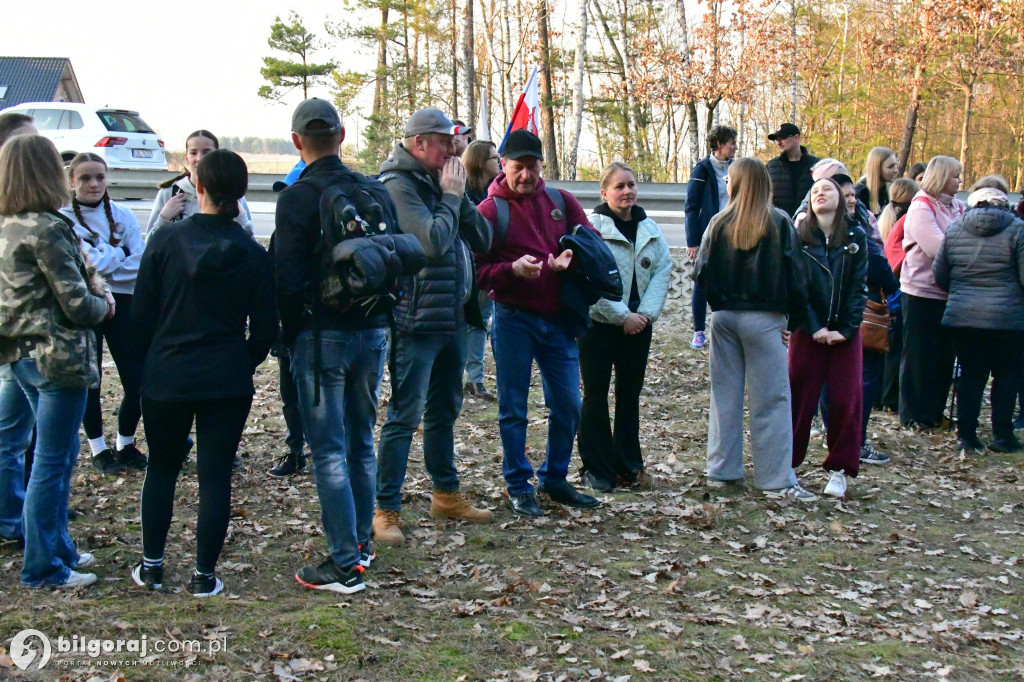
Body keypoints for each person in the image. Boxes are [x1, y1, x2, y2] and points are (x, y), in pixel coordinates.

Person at [130, 150, 275, 596]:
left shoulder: (165, 242)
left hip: (168, 374)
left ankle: (152, 566)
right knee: (214, 476)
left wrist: (155, 358)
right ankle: (203, 575)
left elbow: (141, 316)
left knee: (162, 467)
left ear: (200, 188)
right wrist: (240, 360)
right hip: (224, 378)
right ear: (241, 192)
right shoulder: (251, 253)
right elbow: (266, 329)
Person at [275, 98, 395, 594]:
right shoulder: (374, 191)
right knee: (360, 440)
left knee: (327, 450)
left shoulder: (297, 197)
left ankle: (345, 564)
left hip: (320, 338)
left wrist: (287, 335)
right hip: (374, 332)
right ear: (342, 136)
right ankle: (360, 547)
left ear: (298, 141)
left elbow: (286, 277)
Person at [373, 108, 494, 547]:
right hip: (415, 319)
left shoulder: (444, 181)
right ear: (420, 143)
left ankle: (445, 494)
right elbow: (431, 244)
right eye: (446, 142)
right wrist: (449, 196)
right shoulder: (398, 185)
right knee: (404, 416)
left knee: (445, 412)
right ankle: (384, 507)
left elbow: (482, 239)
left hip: (454, 316)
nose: (454, 149)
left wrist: (459, 195)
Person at [0, 135, 114, 587]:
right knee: (53, 461)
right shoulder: (47, 228)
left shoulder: (6, 225)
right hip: (56, 357)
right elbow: (76, 302)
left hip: (17, 353)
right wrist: (104, 302)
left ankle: (57, 546)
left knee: (53, 454)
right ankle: (43, 566)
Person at [476, 129, 601, 516]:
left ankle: (555, 479)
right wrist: (512, 270)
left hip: (558, 320)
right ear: (503, 166)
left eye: (532, 167)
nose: (526, 175)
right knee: (514, 407)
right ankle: (519, 484)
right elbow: (477, 272)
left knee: (568, 404)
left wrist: (572, 256)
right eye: (518, 168)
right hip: (513, 320)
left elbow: (592, 243)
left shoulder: (560, 201)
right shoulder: (490, 211)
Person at [693, 157, 815, 501]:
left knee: (724, 397)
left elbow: (699, 273)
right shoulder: (779, 222)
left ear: (735, 184)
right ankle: (775, 480)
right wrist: (794, 321)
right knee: (771, 401)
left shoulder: (717, 223)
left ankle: (722, 471)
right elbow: (798, 278)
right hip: (765, 320)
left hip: (724, 317)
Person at [578, 162, 672, 492]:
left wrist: (643, 315)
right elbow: (589, 279)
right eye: (619, 186)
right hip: (599, 326)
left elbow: (663, 271)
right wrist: (622, 316)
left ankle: (629, 465)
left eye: (631, 184)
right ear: (604, 193)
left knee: (629, 397)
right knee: (595, 396)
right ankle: (597, 469)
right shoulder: (590, 228)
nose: (627, 191)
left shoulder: (651, 230)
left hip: (639, 327)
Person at [58, 153, 147, 475]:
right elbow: (85, 266)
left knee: (136, 378)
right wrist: (117, 254)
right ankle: (98, 448)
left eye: (99, 177)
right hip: (87, 304)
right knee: (91, 381)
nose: (93, 184)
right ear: (71, 181)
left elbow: (139, 262)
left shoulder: (123, 214)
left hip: (124, 303)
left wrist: (107, 257)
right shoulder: (63, 219)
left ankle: (125, 443)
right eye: (84, 178)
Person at [791, 178, 868, 498]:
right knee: (797, 400)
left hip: (844, 335)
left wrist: (846, 330)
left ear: (841, 197)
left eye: (827, 188)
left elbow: (858, 288)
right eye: (814, 190)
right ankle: (787, 465)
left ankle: (839, 470)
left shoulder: (855, 236)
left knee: (844, 400)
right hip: (808, 333)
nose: (820, 193)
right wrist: (813, 327)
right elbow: (796, 286)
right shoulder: (798, 236)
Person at [933, 188, 1024, 453]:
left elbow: (940, 274)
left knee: (971, 376)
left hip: (962, 316)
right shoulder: (1018, 229)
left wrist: (961, 290)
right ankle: (1002, 435)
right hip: (1007, 318)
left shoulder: (955, 228)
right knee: (1006, 376)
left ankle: (968, 435)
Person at [834, 174, 900, 465]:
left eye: (853, 195)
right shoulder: (854, 232)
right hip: (859, 313)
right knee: (863, 379)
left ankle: (845, 440)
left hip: (839, 315)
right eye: (845, 195)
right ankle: (854, 443)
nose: (851, 200)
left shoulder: (813, 228)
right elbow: (882, 271)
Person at [899, 156, 965, 429]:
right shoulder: (921, 207)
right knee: (919, 355)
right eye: (955, 176)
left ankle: (935, 411)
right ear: (940, 177)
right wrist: (966, 253)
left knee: (943, 356)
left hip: (950, 293)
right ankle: (914, 414)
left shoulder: (959, 206)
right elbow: (938, 249)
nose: (959, 181)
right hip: (921, 291)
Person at [0, 112, 38, 550]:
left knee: (12, 434)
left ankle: (15, 512)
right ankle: (18, 518)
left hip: (16, 340)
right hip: (23, 339)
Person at [685, 125, 737, 349]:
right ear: (718, 144)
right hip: (708, 234)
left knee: (732, 281)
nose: (735, 146)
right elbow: (691, 207)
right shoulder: (702, 170)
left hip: (734, 232)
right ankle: (698, 332)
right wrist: (693, 242)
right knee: (702, 281)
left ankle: (728, 332)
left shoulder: (737, 168)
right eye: (731, 142)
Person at [147, 130, 254, 236]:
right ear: (186, 158)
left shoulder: (230, 192)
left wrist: (241, 219)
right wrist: (163, 219)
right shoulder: (169, 193)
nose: (200, 158)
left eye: (206, 152)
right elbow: (148, 247)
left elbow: (251, 244)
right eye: (193, 153)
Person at [461, 139, 501, 400]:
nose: (499, 162)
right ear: (479, 163)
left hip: (489, 268)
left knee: (480, 323)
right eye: (494, 158)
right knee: (465, 323)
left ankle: (475, 380)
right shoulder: (463, 193)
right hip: (467, 269)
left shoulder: (497, 192)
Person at [877, 177, 918, 412]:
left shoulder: (885, 218)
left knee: (887, 348)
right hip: (896, 291)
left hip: (887, 291)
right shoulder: (905, 221)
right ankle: (890, 398)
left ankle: (883, 396)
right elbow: (895, 260)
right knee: (894, 349)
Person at [765, 123, 820, 217]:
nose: (779, 143)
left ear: (796, 138)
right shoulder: (771, 166)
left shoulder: (817, 165)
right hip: (779, 223)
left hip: (809, 222)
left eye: (782, 138)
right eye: (776, 140)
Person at [856, 147, 899, 217]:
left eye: (895, 165)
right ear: (877, 169)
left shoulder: (885, 190)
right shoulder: (861, 194)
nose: (895, 170)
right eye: (890, 167)